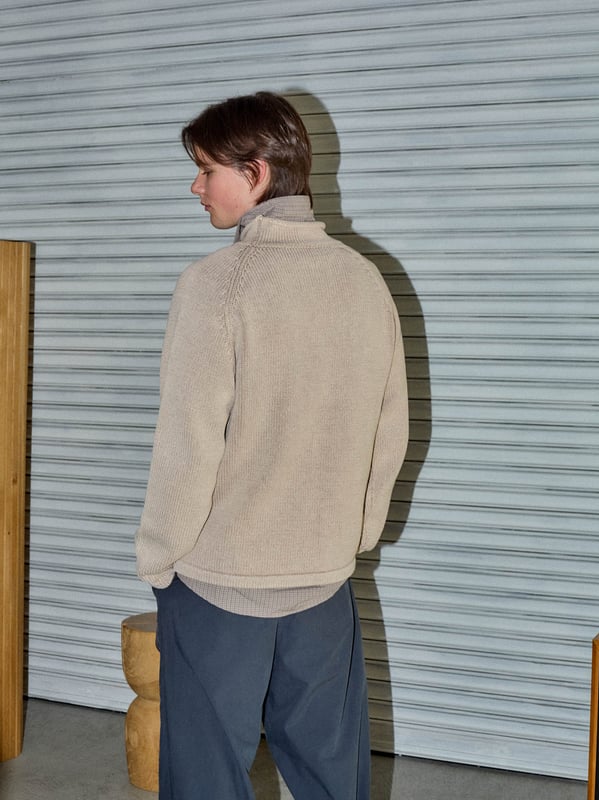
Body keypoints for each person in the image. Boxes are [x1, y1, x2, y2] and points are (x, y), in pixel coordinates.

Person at [135, 91, 409, 800]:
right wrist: (350, 537)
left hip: (220, 580)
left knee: (207, 777)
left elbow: (187, 442)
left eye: (206, 170)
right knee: (330, 774)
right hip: (323, 578)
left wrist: (159, 556)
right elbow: (390, 430)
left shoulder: (215, 285)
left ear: (255, 173)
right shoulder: (363, 279)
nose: (195, 187)